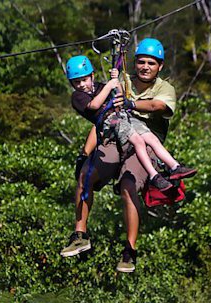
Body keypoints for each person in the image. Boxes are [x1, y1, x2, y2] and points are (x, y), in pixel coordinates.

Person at [61, 38, 186, 273]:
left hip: (144, 143)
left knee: (128, 185)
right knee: (86, 173)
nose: (145, 67)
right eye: (141, 62)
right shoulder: (124, 82)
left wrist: (130, 103)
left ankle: (129, 250)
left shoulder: (164, 89)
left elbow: (157, 107)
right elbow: (101, 119)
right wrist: (84, 153)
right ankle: (80, 234)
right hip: (115, 138)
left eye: (151, 63)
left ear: (160, 66)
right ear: (135, 63)